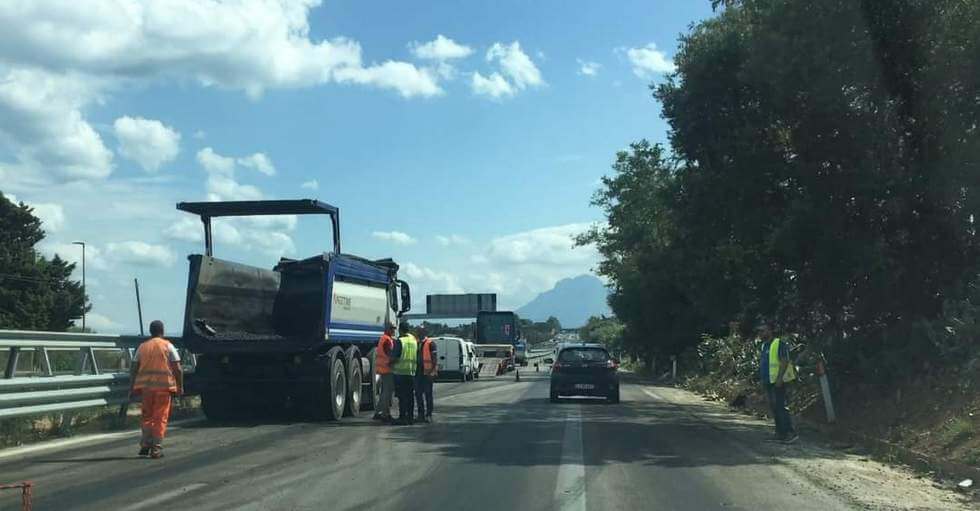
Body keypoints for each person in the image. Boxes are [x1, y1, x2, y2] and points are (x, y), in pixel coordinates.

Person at [129, 320, 183, 458]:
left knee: (147, 416)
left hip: (146, 389)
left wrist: (131, 387)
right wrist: (180, 386)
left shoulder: (142, 347)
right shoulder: (168, 346)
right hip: (163, 388)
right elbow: (178, 369)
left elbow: (133, 368)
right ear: (162, 331)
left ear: (150, 332)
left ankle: (146, 444)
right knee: (160, 417)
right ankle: (156, 448)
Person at [758, 323, 798, 443]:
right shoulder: (764, 346)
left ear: (770, 331)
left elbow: (784, 361)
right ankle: (780, 433)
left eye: (763, 331)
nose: (760, 333)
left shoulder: (778, 344)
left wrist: (779, 379)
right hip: (768, 381)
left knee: (780, 406)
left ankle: (790, 433)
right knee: (774, 407)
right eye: (760, 331)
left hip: (777, 381)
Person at [389, 323, 418, 425]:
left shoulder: (400, 341)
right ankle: (410, 417)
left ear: (400, 330)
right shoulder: (413, 340)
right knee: (410, 396)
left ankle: (402, 417)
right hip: (411, 372)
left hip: (400, 373)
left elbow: (395, 356)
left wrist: (389, 363)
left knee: (402, 397)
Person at [372, 323, 397, 423]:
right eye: (392, 329)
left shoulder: (384, 338)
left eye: (394, 329)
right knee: (387, 393)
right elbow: (390, 354)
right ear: (387, 329)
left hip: (384, 369)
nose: (393, 331)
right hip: (387, 369)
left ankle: (378, 413)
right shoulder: (387, 340)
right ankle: (385, 414)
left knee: (384, 392)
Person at [414, 327, 437, 423]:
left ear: (424, 332)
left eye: (420, 331)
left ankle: (429, 414)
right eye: (418, 331)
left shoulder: (430, 343)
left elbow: (434, 359)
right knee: (418, 394)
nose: (418, 333)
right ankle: (421, 414)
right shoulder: (416, 343)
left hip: (427, 373)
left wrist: (431, 372)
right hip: (418, 372)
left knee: (428, 394)